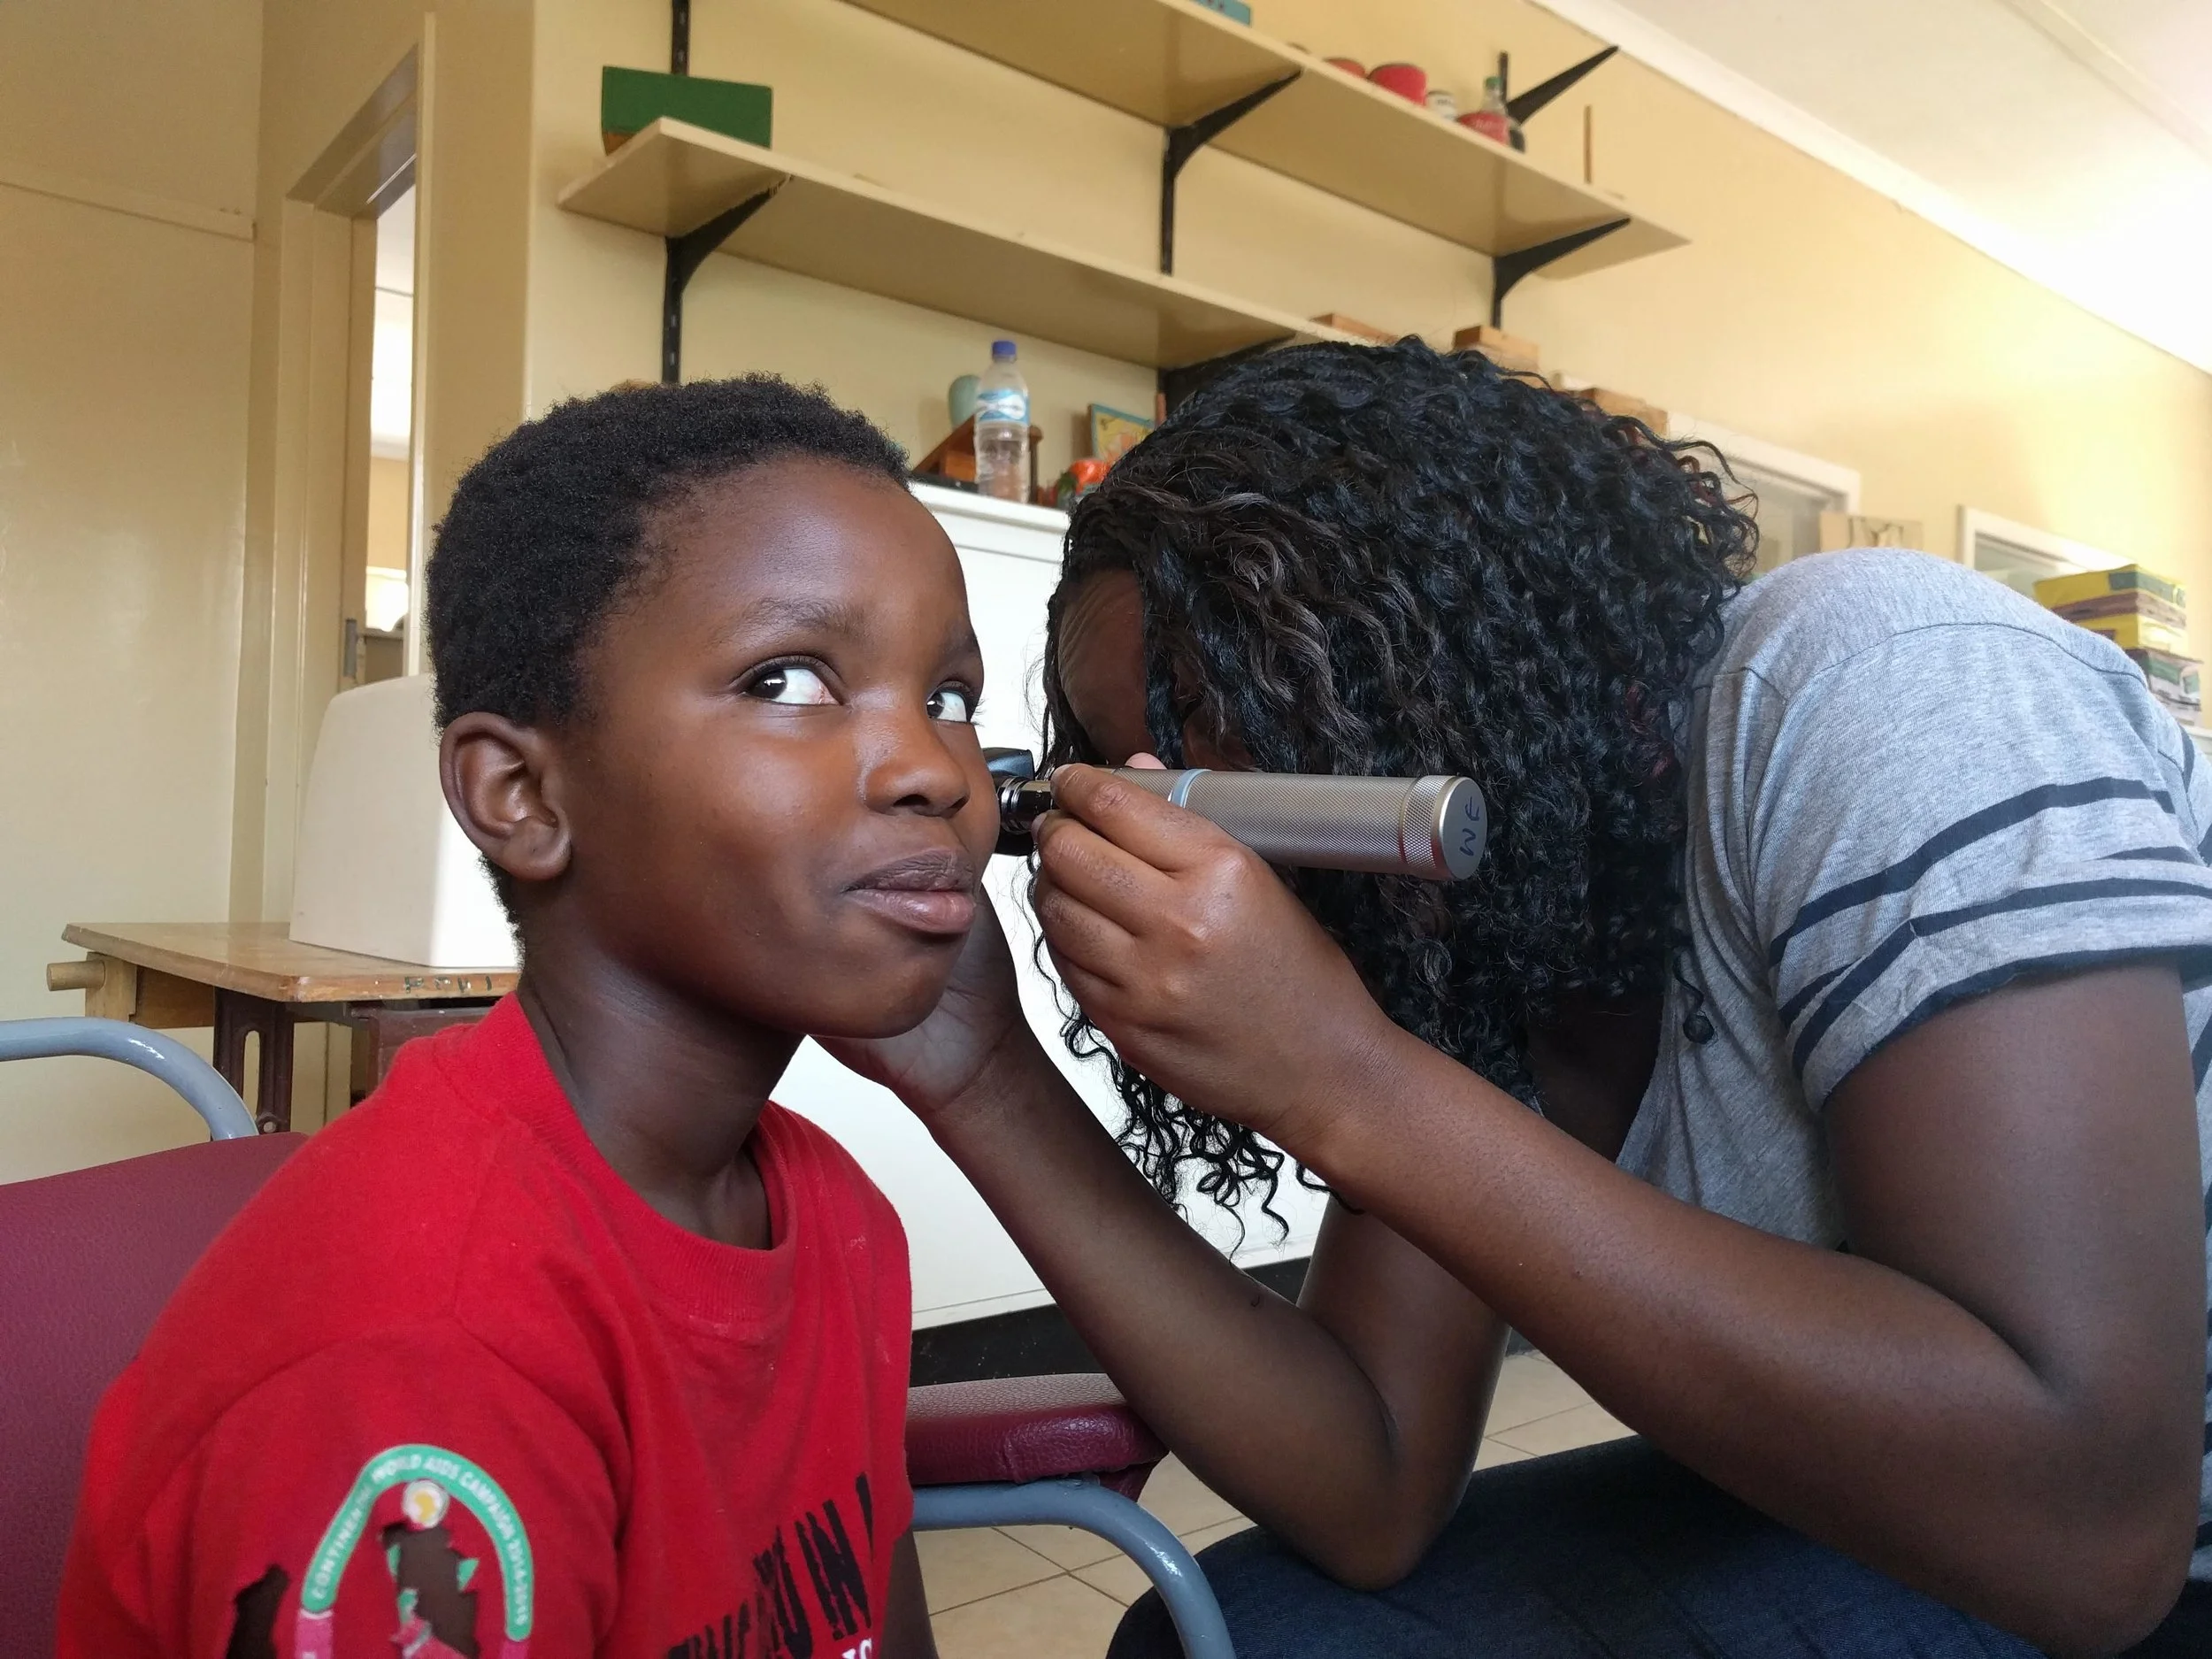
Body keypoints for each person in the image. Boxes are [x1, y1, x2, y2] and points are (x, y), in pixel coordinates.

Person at [831, 342, 2211, 1657]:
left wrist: (1344, 1077)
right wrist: (983, 1074)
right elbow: (1368, 1484)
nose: (1177, 800)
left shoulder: (1877, 681)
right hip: (1925, 1512)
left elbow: (2090, 1534)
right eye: (1131, 755)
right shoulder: (1460, 946)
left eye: (1225, 705)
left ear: (1438, 619)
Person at [58, 377, 993, 1657]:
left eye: (947, 695)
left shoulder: (839, 1224)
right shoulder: (432, 1350)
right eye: (788, 677)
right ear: (520, 794)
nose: (938, 768)